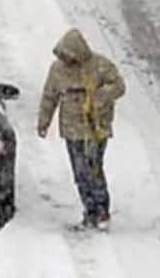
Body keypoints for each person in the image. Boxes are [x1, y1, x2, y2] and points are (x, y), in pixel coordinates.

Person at [36, 27, 126, 230]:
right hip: (71, 130)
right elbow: (49, 96)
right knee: (80, 172)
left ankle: (102, 211)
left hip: (96, 128)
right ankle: (90, 211)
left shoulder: (101, 66)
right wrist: (44, 121)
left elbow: (119, 86)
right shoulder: (57, 70)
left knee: (94, 169)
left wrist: (100, 97)